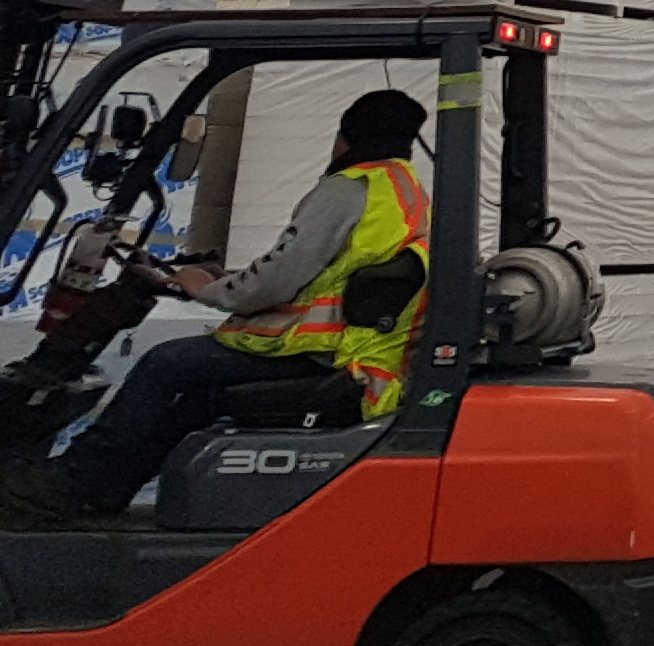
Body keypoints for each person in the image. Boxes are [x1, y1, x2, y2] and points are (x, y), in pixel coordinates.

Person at [2, 88, 432, 522]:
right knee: (193, 400)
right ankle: (105, 489)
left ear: (346, 137)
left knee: (164, 364)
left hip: (318, 352)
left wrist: (203, 289)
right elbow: (321, 272)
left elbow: (278, 281)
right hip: (354, 350)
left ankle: (71, 480)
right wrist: (229, 277)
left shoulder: (348, 187)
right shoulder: (401, 189)